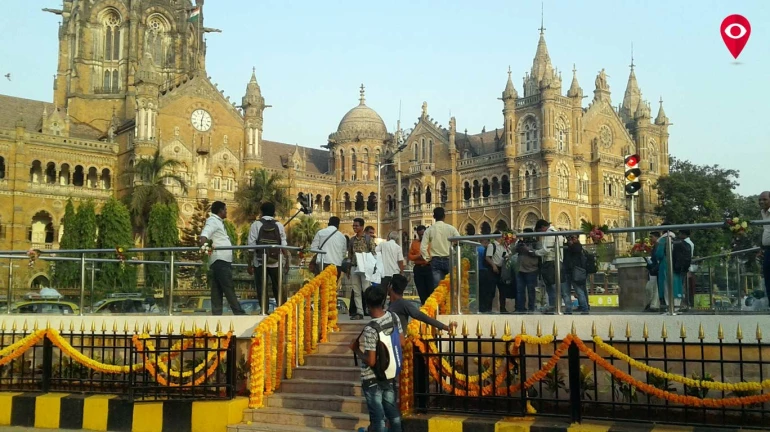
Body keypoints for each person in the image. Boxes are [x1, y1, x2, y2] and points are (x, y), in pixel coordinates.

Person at [349, 287, 403, 432]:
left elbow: (371, 361)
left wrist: (356, 350)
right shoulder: (393, 317)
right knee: (393, 415)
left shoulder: (371, 329)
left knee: (378, 418)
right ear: (383, 301)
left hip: (372, 378)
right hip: (389, 373)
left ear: (367, 304)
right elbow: (402, 342)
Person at [200, 201, 246, 316]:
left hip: (221, 260)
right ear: (220, 211)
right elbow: (204, 236)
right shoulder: (213, 221)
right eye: (225, 210)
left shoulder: (218, 222)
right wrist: (206, 249)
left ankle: (216, 314)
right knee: (228, 286)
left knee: (217, 289)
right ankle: (238, 312)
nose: (226, 211)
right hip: (220, 260)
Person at [248, 202, 290, 311]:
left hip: (259, 261)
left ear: (261, 212)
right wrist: (287, 262)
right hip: (276, 261)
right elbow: (283, 245)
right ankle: (283, 311)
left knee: (262, 287)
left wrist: (249, 264)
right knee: (278, 287)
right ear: (274, 213)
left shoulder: (256, 225)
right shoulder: (279, 225)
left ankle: (264, 310)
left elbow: (251, 247)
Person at [386, 274, 456, 332]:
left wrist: (444, 327)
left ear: (391, 286)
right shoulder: (389, 304)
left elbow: (422, 316)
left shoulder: (403, 304)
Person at [534, 219, 570, 313]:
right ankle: (566, 308)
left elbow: (546, 250)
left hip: (550, 262)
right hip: (559, 261)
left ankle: (553, 307)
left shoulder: (549, 234)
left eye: (540, 231)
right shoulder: (557, 233)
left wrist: (535, 252)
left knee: (551, 288)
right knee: (561, 287)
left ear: (542, 227)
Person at [420, 207, 461, 289]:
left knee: (438, 287)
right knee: (451, 286)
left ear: (434, 216)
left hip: (435, 260)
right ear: (444, 216)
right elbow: (459, 240)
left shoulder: (429, 230)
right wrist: (454, 248)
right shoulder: (451, 228)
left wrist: (428, 259)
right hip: (449, 259)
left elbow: (423, 247)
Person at [348, 218, 376, 320]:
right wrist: (348, 269)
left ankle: (371, 309)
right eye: (354, 226)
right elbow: (350, 255)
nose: (354, 227)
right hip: (354, 267)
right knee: (356, 291)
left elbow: (373, 253)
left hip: (365, 267)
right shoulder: (352, 240)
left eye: (357, 226)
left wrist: (372, 267)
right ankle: (359, 312)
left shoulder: (368, 239)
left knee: (366, 290)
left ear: (362, 227)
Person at [654, 225, 684, 308]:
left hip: (666, 265)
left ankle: (669, 307)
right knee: (677, 286)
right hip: (677, 266)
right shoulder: (677, 239)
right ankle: (677, 306)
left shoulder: (663, 240)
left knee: (667, 286)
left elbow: (659, 254)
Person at [484, 232, 510, 313]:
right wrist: (493, 266)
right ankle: (488, 309)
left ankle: (503, 308)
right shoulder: (492, 245)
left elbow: (507, 255)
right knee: (491, 290)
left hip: (501, 269)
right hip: (493, 269)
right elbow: (487, 257)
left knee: (503, 290)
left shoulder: (503, 246)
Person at [563, 235, 589, 313]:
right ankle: (568, 309)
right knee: (566, 292)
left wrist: (571, 244)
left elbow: (576, 249)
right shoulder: (565, 246)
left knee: (579, 291)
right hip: (566, 270)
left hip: (575, 272)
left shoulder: (578, 246)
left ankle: (584, 308)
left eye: (573, 238)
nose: (571, 240)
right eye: (569, 238)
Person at [515, 229, 539, 313]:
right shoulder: (520, 243)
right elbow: (513, 250)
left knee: (531, 290)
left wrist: (527, 249)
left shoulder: (535, 243)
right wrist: (517, 245)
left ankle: (531, 308)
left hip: (531, 270)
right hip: (520, 269)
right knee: (520, 291)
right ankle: (520, 308)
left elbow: (537, 253)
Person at [408, 225, 432, 304]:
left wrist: (426, 257)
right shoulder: (414, 243)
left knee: (430, 289)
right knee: (421, 290)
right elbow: (410, 256)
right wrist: (418, 256)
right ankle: (423, 305)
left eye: (423, 234)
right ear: (417, 234)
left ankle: (430, 306)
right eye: (420, 234)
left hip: (428, 268)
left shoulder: (430, 243)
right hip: (418, 268)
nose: (422, 236)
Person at [644, 232, 661, 311]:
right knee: (649, 288)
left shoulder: (659, 245)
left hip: (656, 270)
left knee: (654, 289)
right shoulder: (654, 246)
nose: (650, 239)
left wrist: (655, 268)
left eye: (652, 237)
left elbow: (659, 259)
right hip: (652, 269)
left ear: (656, 237)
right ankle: (651, 303)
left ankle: (654, 305)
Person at [678, 230, 696, 307]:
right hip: (686, 266)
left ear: (683, 234)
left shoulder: (685, 243)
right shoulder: (690, 243)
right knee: (683, 285)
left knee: (682, 285)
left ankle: (683, 303)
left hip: (683, 266)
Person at [760, 191, 770, 300]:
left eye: (765, 199)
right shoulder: (763, 212)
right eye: (760, 200)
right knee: (768, 277)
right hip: (767, 250)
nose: (762, 202)